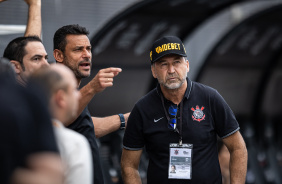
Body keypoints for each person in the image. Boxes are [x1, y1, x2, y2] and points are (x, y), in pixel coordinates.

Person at [121, 36, 248, 183]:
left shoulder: (210, 98)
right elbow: (129, 165)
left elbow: (238, 148)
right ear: (154, 71)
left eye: (177, 62)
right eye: (163, 64)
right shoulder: (142, 109)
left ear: (187, 65)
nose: (171, 70)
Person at [53, 24, 130, 184]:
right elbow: (59, 118)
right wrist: (92, 88)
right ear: (58, 55)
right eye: (78, 49)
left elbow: (85, 125)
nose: (86, 54)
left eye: (88, 49)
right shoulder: (52, 90)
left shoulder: (76, 92)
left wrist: (127, 119)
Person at [0, 57, 63, 184]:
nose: (46, 64)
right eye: (36, 59)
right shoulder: (28, 99)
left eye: (45, 58)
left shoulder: (29, 99)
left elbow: (50, 174)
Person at [29, 64, 93, 184]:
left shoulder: (13, 135)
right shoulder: (74, 144)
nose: (78, 95)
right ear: (61, 98)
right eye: (74, 89)